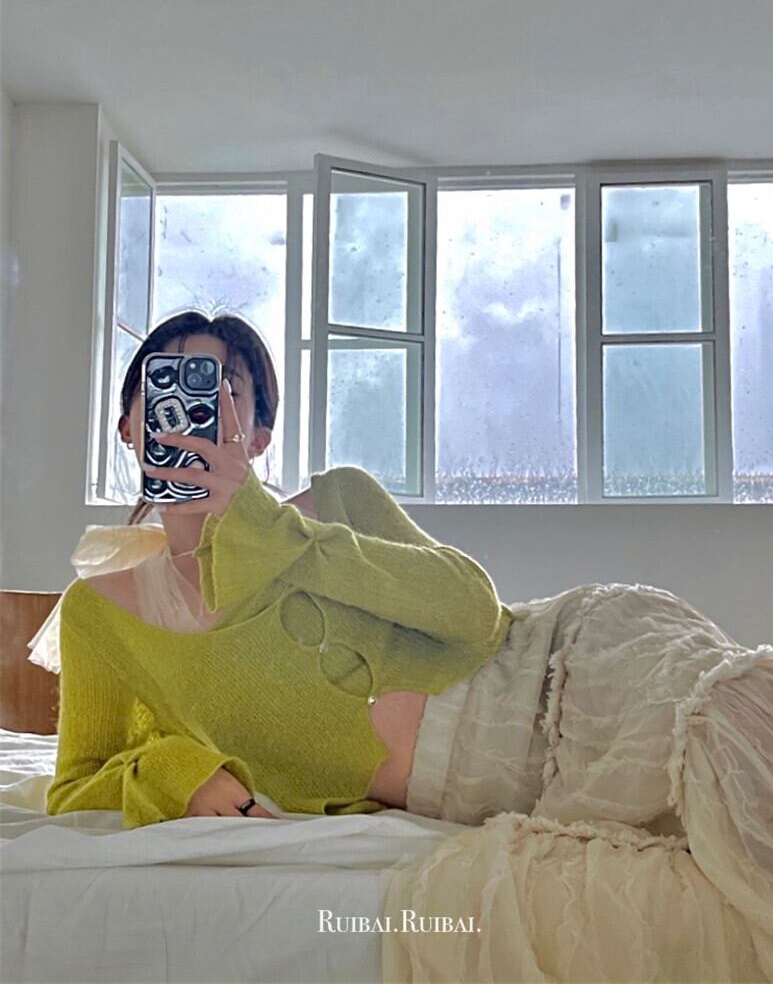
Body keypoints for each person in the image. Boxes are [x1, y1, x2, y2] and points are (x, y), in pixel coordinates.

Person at [41, 310, 517, 829]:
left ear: (258, 436)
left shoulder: (339, 502)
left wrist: (270, 527)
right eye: (165, 387)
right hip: (487, 803)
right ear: (129, 427)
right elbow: (74, 790)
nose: (192, 411)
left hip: (542, 689)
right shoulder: (99, 611)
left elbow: (479, 614)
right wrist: (169, 772)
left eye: (226, 392)